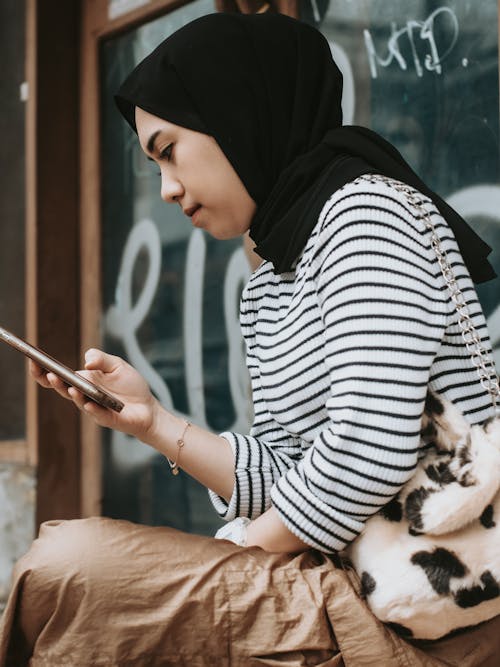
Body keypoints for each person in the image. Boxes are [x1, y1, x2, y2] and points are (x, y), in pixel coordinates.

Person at [1, 11, 499, 667]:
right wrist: (152, 422)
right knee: (72, 577)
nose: (168, 188)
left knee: (72, 568)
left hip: (440, 607)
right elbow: (295, 473)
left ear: (236, 114)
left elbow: (366, 448)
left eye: (168, 151)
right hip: (348, 582)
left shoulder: (365, 215)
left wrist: (227, 557)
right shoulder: (270, 277)